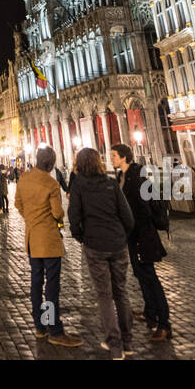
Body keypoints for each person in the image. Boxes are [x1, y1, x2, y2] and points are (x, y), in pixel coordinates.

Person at [68, 147, 136, 359]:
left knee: (104, 295)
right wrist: (121, 236)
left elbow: (73, 216)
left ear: (79, 164)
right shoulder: (111, 183)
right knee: (121, 291)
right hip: (117, 244)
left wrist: (82, 236)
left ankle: (114, 345)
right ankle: (127, 341)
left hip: (95, 245)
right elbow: (128, 217)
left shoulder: (78, 185)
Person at [14, 145, 81, 347]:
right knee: (51, 286)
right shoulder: (51, 184)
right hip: (49, 240)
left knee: (36, 283)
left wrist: (31, 219)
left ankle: (39, 326)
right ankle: (54, 328)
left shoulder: (23, 179)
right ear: (51, 164)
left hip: (32, 239)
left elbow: (18, 204)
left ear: (36, 159)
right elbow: (58, 213)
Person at [110, 144, 171, 341]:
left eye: (114, 156)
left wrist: (131, 226)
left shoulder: (136, 179)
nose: (111, 158)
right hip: (132, 236)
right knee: (140, 273)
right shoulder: (122, 177)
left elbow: (142, 210)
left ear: (124, 158)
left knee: (150, 277)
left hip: (143, 236)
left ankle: (164, 324)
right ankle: (149, 311)